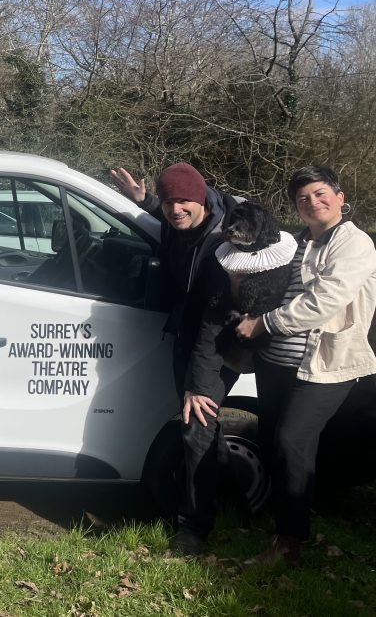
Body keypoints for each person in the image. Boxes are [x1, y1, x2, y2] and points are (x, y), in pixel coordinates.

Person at [236, 165, 376, 566]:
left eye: (319, 194)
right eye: (302, 198)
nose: (312, 202)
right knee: (273, 441)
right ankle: (282, 517)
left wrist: (263, 323)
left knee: (292, 441)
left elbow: (323, 303)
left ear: (340, 197)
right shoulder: (292, 242)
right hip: (275, 363)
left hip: (323, 367)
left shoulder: (355, 245)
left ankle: (288, 544)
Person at [111, 163, 241, 554]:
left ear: (201, 199)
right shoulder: (181, 220)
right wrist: (146, 202)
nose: (175, 209)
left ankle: (193, 531)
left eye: (184, 201)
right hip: (188, 334)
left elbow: (213, 322)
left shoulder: (220, 246)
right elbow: (172, 217)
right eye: (170, 202)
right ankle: (225, 499)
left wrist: (199, 384)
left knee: (197, 426)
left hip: (213, 345)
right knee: (206, 430)